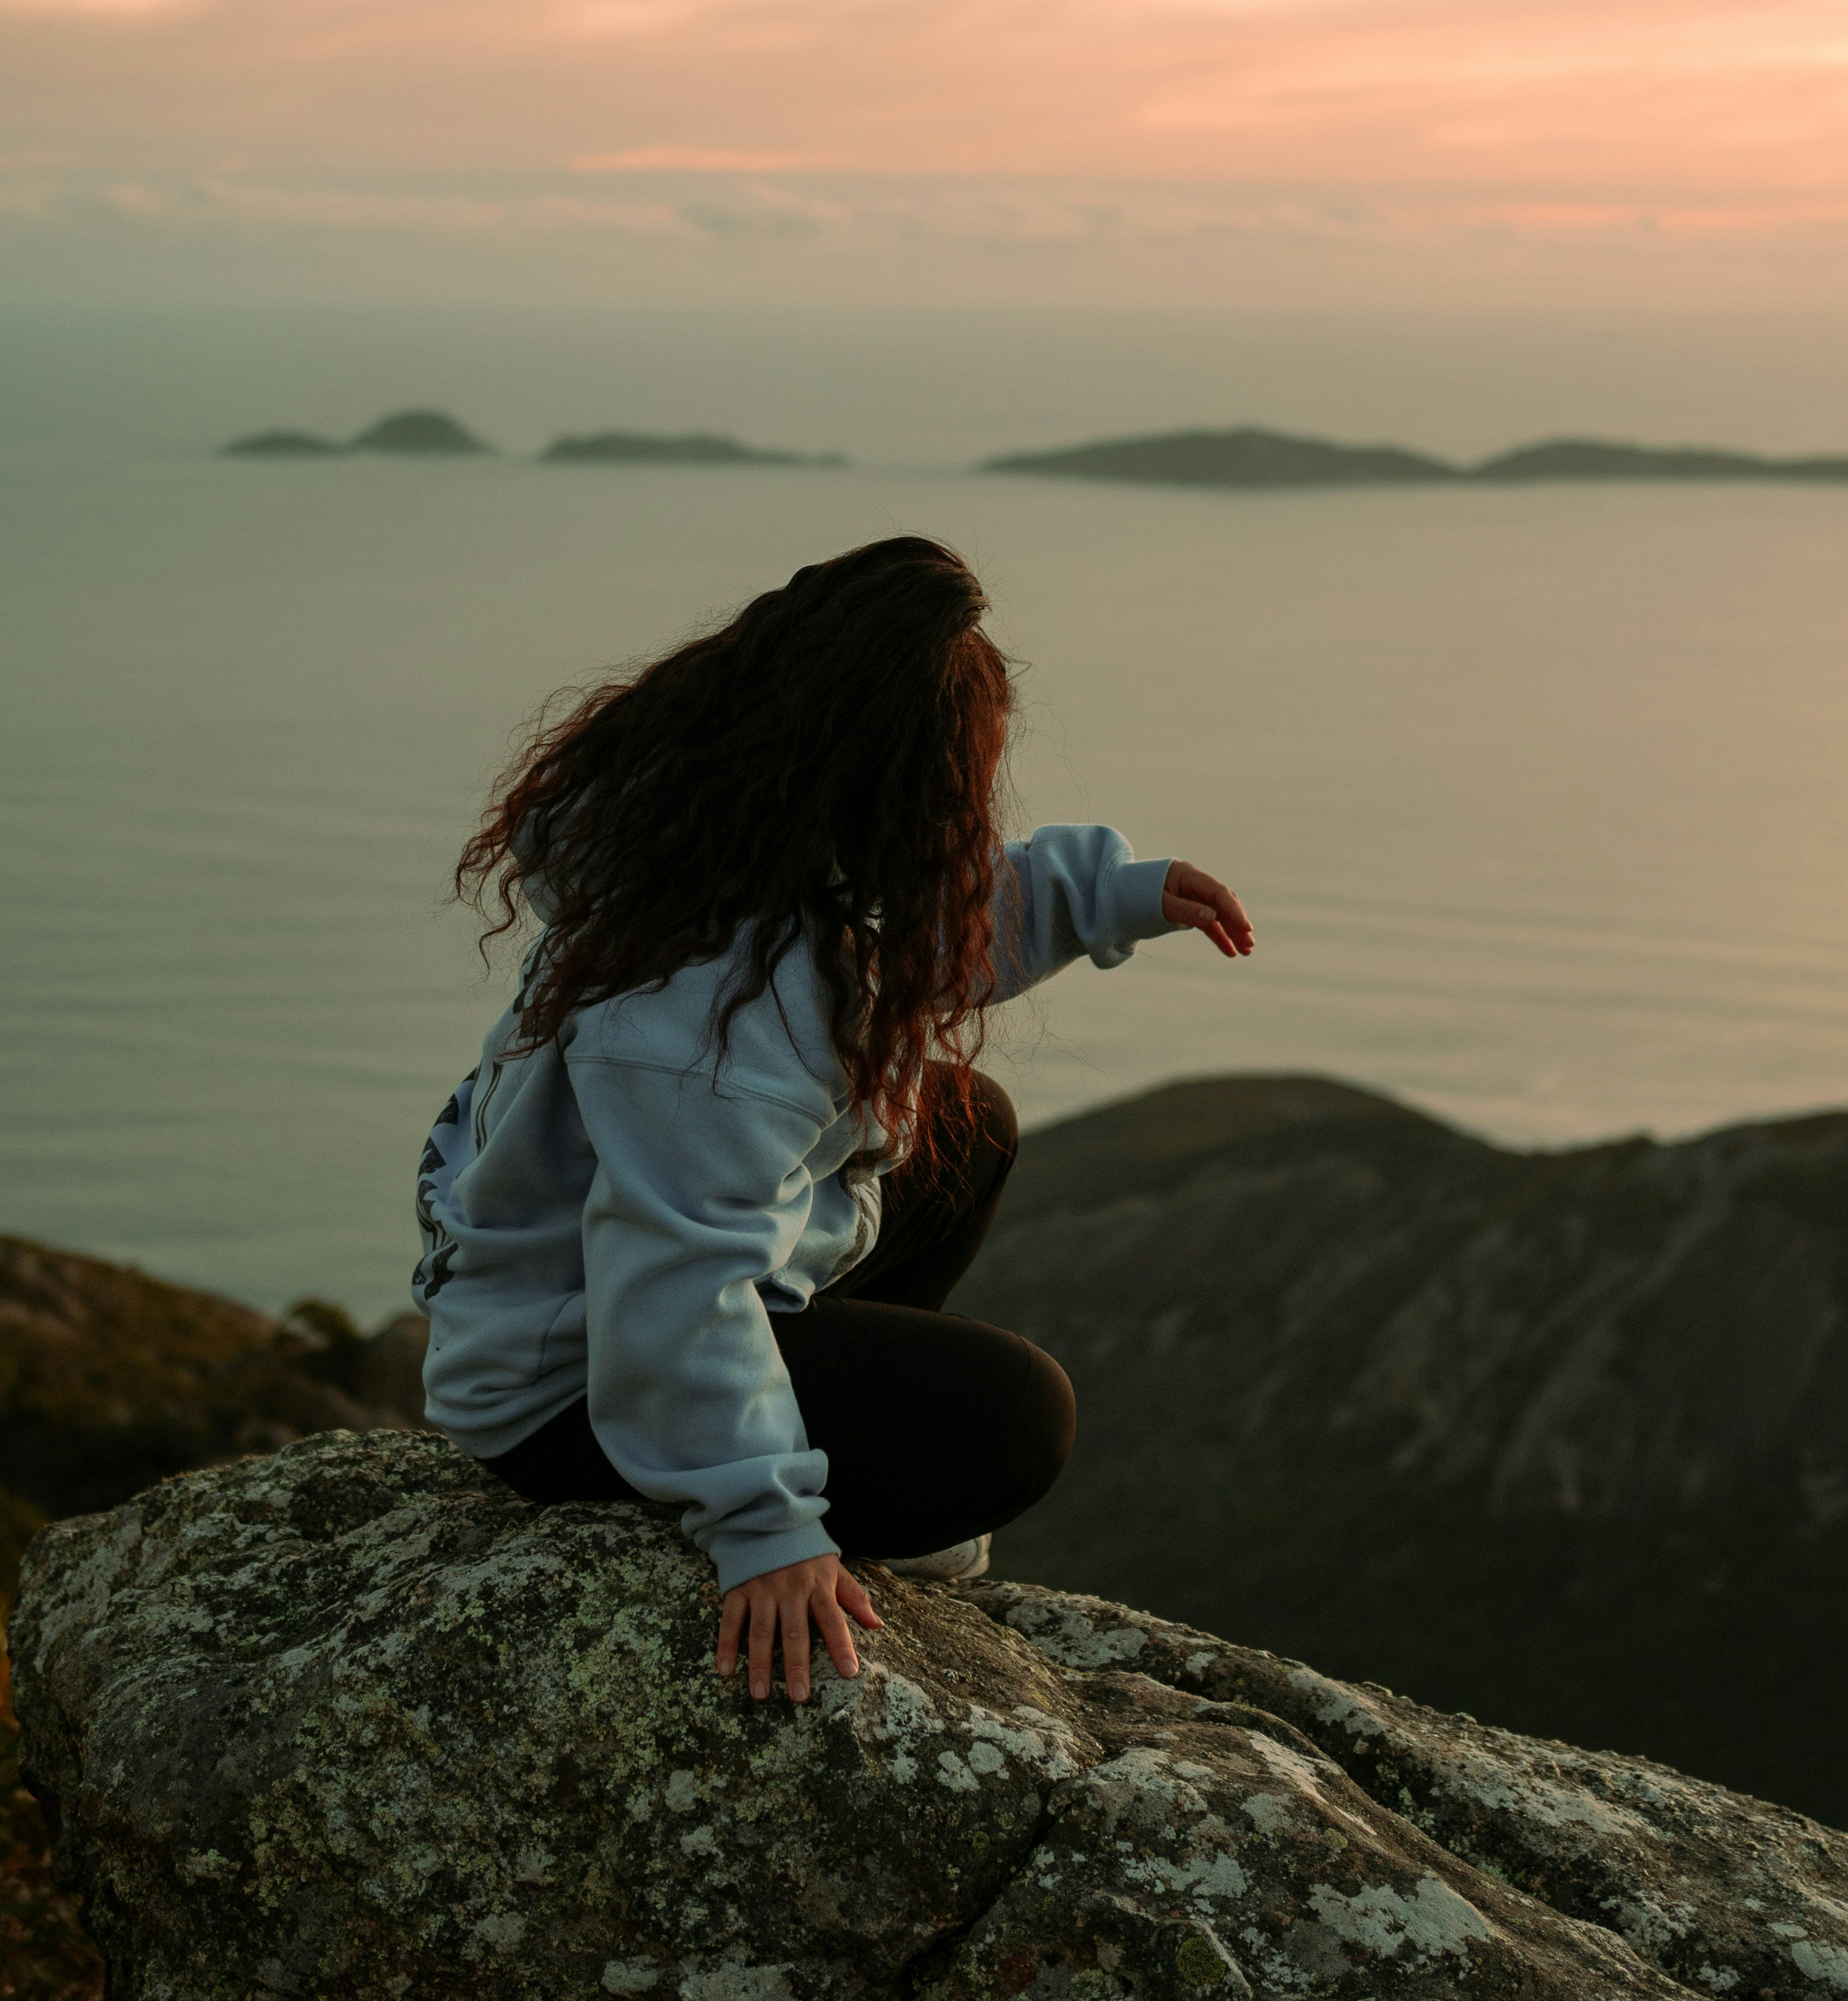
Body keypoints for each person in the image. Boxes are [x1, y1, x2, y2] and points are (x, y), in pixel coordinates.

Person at [412, 536, 1252, 1707]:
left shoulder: (715, 842)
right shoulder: (703, 1020)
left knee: (969, 1124)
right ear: (886, 787)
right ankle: (835, 1472)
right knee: (1013, 1419)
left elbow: (913, 937)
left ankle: (828, 1428)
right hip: (573, 1383)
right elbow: (675, 1276)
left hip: (617, 1300)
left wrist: (1100, 894)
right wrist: (763, 1524)